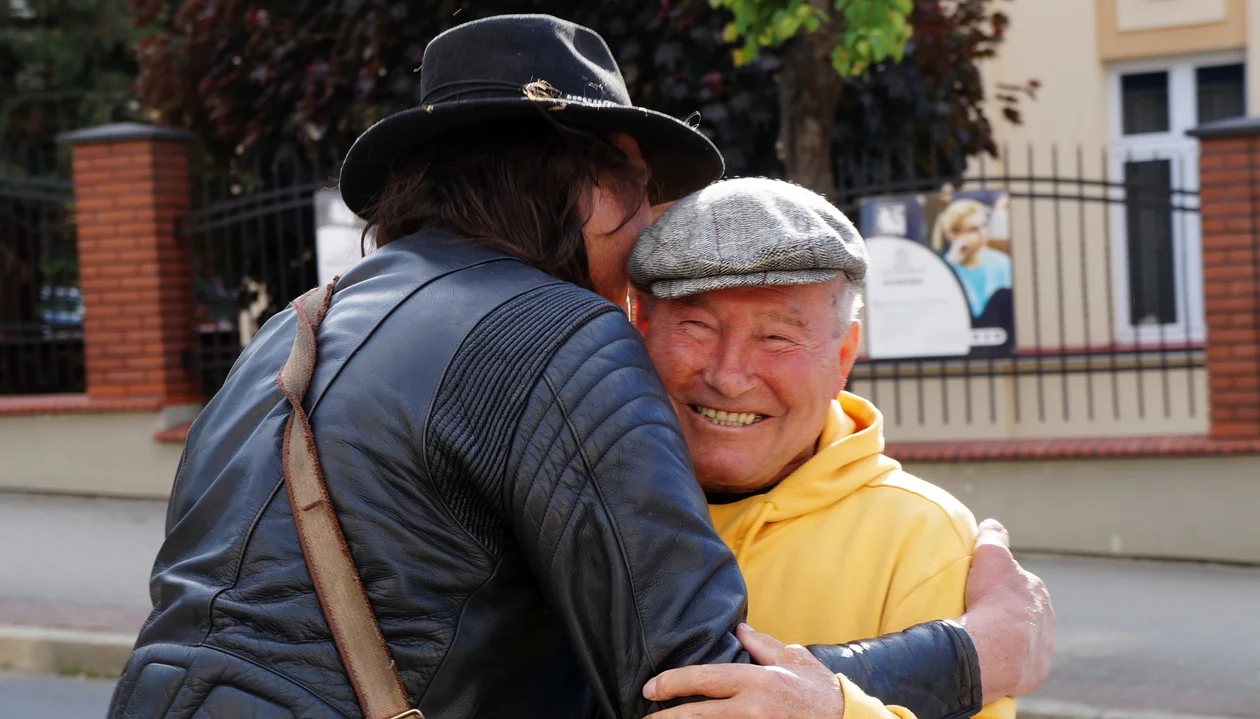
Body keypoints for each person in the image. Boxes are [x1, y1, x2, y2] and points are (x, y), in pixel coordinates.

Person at [108, 15, 1052, 719]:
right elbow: (691, 689)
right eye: (640, 194)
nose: (647, 235)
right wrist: (974, 653)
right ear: (587, 178)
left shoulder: (291, 333)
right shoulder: (557, 332)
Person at [630, 178, 1049, 718]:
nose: (729, 376)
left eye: (777, 336)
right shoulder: (582, 499)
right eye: (696, 325)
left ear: (844, 356)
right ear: (639, 330)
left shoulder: (920, 538)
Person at [929, 197, 1012, 319]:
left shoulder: (1003, 263)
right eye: (973, 229)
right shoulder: (943, 268)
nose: (982, 234)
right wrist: (951, 265)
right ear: (952, 235)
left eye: (984, 225)